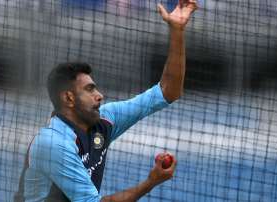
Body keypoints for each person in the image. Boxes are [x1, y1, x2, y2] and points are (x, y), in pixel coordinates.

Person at [21, 1, 198, 201]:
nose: (99, 95)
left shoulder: (105, 119)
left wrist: (177, 31)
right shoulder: (53, 143)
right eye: (89, 89)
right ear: (68, 98)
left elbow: (167, 92)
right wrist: (150, 182)